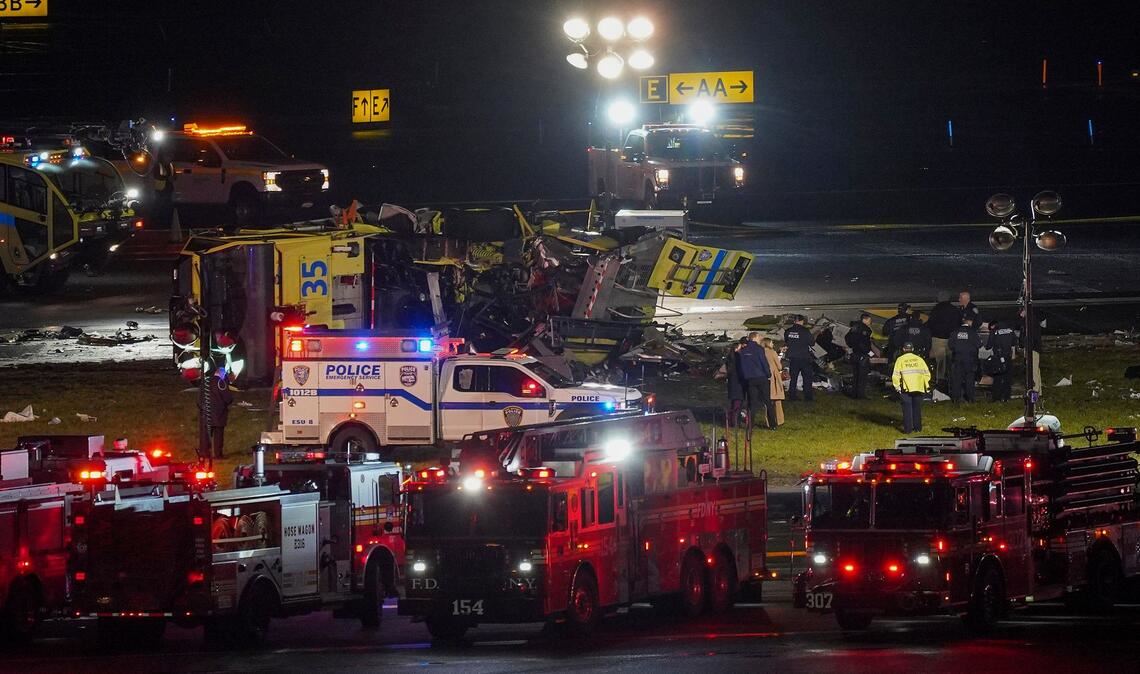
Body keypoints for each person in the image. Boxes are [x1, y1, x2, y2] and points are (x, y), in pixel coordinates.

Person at [891, 342, 932, 433]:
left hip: (906, 388)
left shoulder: (900, 360)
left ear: (903, 349)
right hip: (919, 387)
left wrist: (897, 386)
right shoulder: (920, 359)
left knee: (907, 408)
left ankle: (908, 430)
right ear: (912, 349)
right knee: (917, 408)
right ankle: (918, 428)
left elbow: (896, 375)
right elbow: (927, 374)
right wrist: (925, 385)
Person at [198, 366, 234, 462]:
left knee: (206, 435)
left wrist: (202, 408)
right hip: (219, 413)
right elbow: (228, 398)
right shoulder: (220, 383)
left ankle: (204, 453)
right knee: (218, 435)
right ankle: (218, 454)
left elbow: (200, 398)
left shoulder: (205, 383)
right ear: (222, 374)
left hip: (206, 413)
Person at [738, 332, 773, 428]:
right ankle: (772, 424)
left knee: (752, 402)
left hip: (750, 378)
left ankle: (751, 424)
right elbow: (763, 362)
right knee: (767, 401)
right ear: (754, 338)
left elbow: (742, 365)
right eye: (759, 337)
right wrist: (768, 373)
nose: (760, 338)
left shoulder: (744, 350)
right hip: (761, 377)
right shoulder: (759, 349)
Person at [926, 292, 960, 384]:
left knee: (941, 361)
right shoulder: (954, 309)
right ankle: (952, 378)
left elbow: (930, 323)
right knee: (950, 360)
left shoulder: (936, 309)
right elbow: (958, 323)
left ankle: (941, 380)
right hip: (951, 338)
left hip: (938, 338)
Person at [948, 317, 981, 402]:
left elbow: (950, 345)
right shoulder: (973, 332)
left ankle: (956, 399)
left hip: (957, 359)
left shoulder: (955, 332)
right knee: (969, 379)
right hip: (970, 359)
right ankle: (970, 398)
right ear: (969, 321)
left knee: (956, 379)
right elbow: (979, 344)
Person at [783, 315, 815, 402]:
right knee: (807, 378)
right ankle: (808, 397)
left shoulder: (788, 331)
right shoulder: (805, 331)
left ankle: (792, 396)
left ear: (794, 321)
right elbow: (812, 343)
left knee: (793, 378)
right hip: (804, 357)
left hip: (793, 358)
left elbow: (786, 341)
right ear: (802, 321)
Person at [844, 313, 874, 399]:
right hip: (862, 355)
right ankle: (860, 395)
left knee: (856, 375)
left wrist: (851, 346)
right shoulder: (865, 329)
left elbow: (847, 337)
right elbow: (863, 343)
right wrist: (868, 352)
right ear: (864, 319)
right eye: (869, 320)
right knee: (862, 376)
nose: (870, 322)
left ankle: (855, 394)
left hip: (854, 354)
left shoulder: (854, 327)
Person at [986, 320, 1015, 402]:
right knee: (1007, 378)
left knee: (997, 378)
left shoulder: (994, 331)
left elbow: (988, 346)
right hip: (1008, 357)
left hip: (998, 358)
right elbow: (1014, 343)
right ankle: (1006, 397)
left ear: (993, 326)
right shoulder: (1010, 330)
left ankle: (996, 398)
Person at [1019, 308, 1044, 393]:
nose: (1020, 314)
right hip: (1033, 348)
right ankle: (1038, 390)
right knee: (1036, 369)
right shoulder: (1031, 320)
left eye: (1021, 312)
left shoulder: (1030, 322)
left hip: (1032, 349)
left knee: (1033, 369)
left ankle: (1035, 390)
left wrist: (1027, 347)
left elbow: (1030, 336)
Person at [762, 338, 785, 428]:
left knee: (767, 401)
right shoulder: (772, 352)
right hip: (774, 377)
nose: (773, 344)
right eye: (771, 342)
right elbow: (779, 366)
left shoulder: (761, 352)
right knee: (777, 400)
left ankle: (768, 421)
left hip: (764, 377)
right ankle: (779, 419)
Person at [724, 339, 746, 427]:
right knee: (737, 404)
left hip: (732, 383)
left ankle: (731, 420)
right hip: (738, 383)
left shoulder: (729, 358)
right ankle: (735, 421)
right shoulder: (738, 358)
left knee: (734, 403)